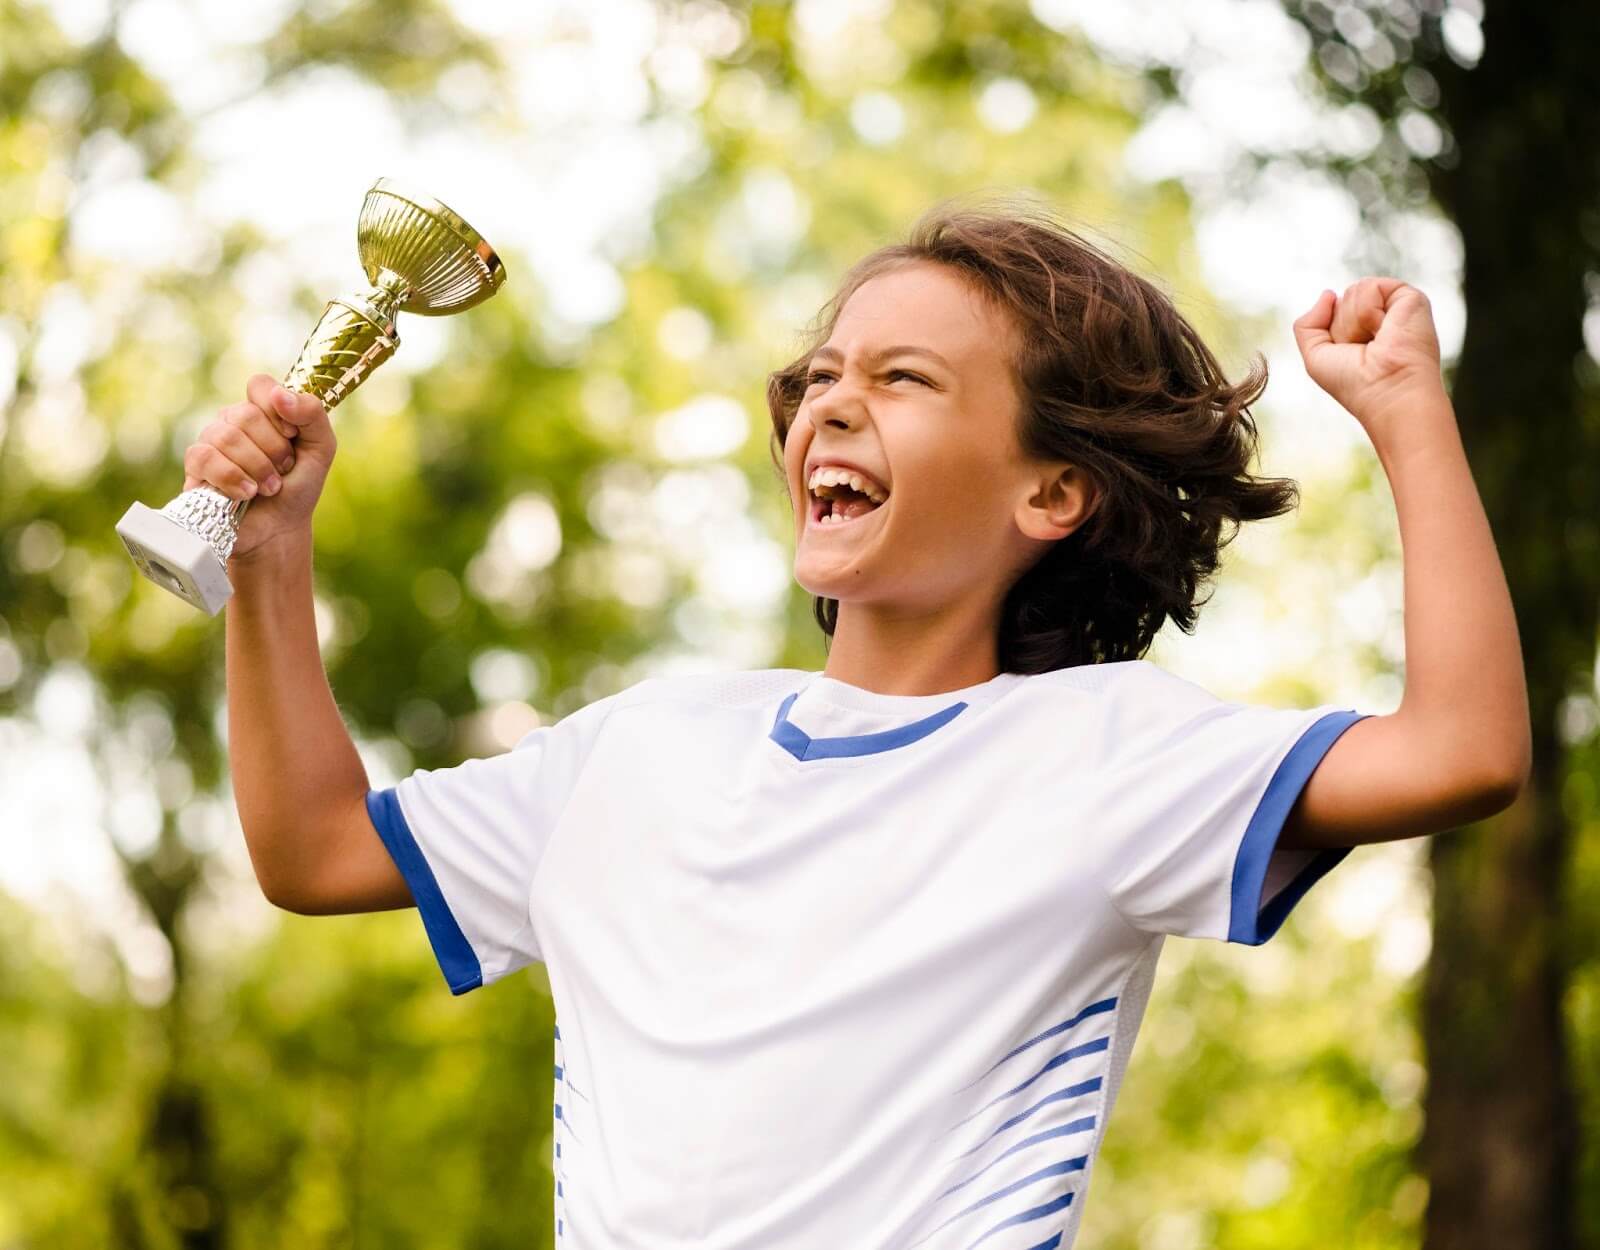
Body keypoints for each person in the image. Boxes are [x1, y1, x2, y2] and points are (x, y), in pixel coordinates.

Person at [199, 196, 1530, 1249]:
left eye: (904, 379)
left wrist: (1408, 413)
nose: (832, 400)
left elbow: (1463, 751)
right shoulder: (639, 748)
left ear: (1052, 493)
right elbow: (314, 850)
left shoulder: (1108, 749)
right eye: (823, 373)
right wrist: (270, 557)